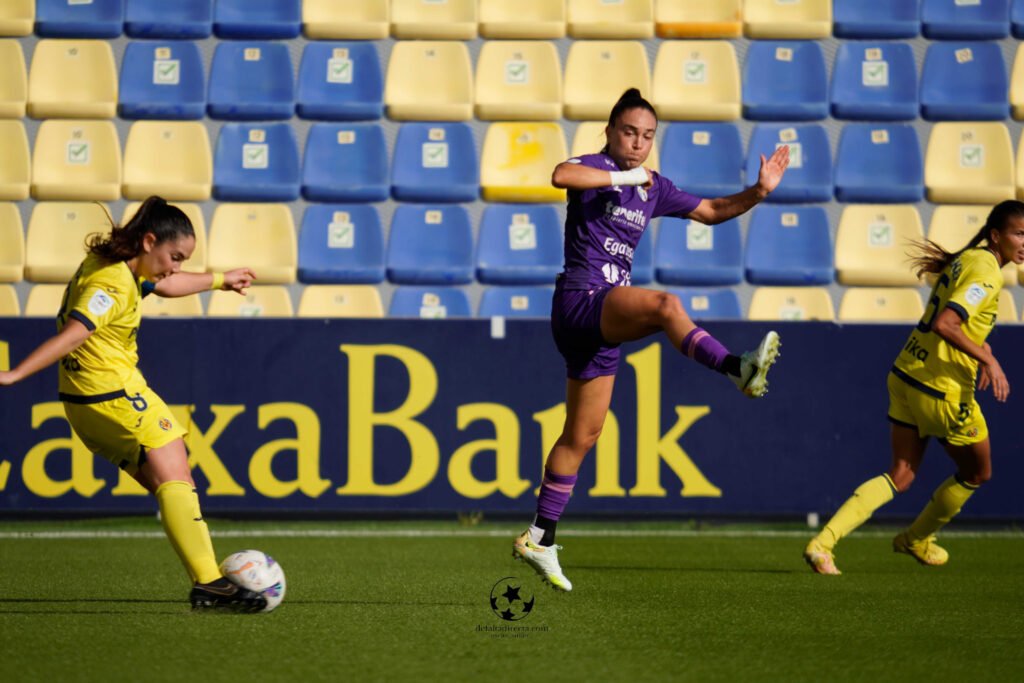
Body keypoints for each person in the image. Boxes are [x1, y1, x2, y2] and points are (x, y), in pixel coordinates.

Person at [512, 89, 791, 591]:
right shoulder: (597, 166)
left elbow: (709, 210)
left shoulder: (653, 186)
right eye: (629, 132)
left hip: (603, 318)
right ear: (610, 131)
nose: (638, 144)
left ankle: (539, 537)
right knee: (665, 307)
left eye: (647, 136)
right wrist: (623, 176)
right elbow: (560, 175)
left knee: (583, 435)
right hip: (582, 298)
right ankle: (736, 368)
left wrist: (759, 192)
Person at [0, 196, 264, 611]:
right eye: (174, 255)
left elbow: (167, 284)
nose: (176, 266)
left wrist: (219, 280)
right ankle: (210, 582)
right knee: (178, 476)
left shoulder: (116, 266)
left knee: (168, 484)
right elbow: (76, 332)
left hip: (85, 402)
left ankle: (208, 581)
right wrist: (15, 374)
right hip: (113, 395)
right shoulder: (111, 284)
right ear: (149, 241)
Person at [804, 200, 1024, 575]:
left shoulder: (968, 258)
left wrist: (981, 347)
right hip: (942, 391)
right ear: (996, 235)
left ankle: (822, 544)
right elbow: (947, 325)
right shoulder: (988, 273)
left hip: (906, 374)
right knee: (978, 472)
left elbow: (955, 323)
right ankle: (916, 538)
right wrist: (989, 359)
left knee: (902, 473)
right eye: (1019, 233)